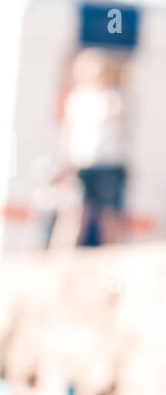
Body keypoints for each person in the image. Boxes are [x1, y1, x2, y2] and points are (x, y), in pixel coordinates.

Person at [60, 49, 129, 248]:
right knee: (76, 212)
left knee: (108, 215)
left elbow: (117, 119)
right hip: (83, 163)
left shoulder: (113, 97)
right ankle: (64, 254)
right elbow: (68, 133)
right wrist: (66, 162)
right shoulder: (77, 99)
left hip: (107, 163)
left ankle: (111, 256)